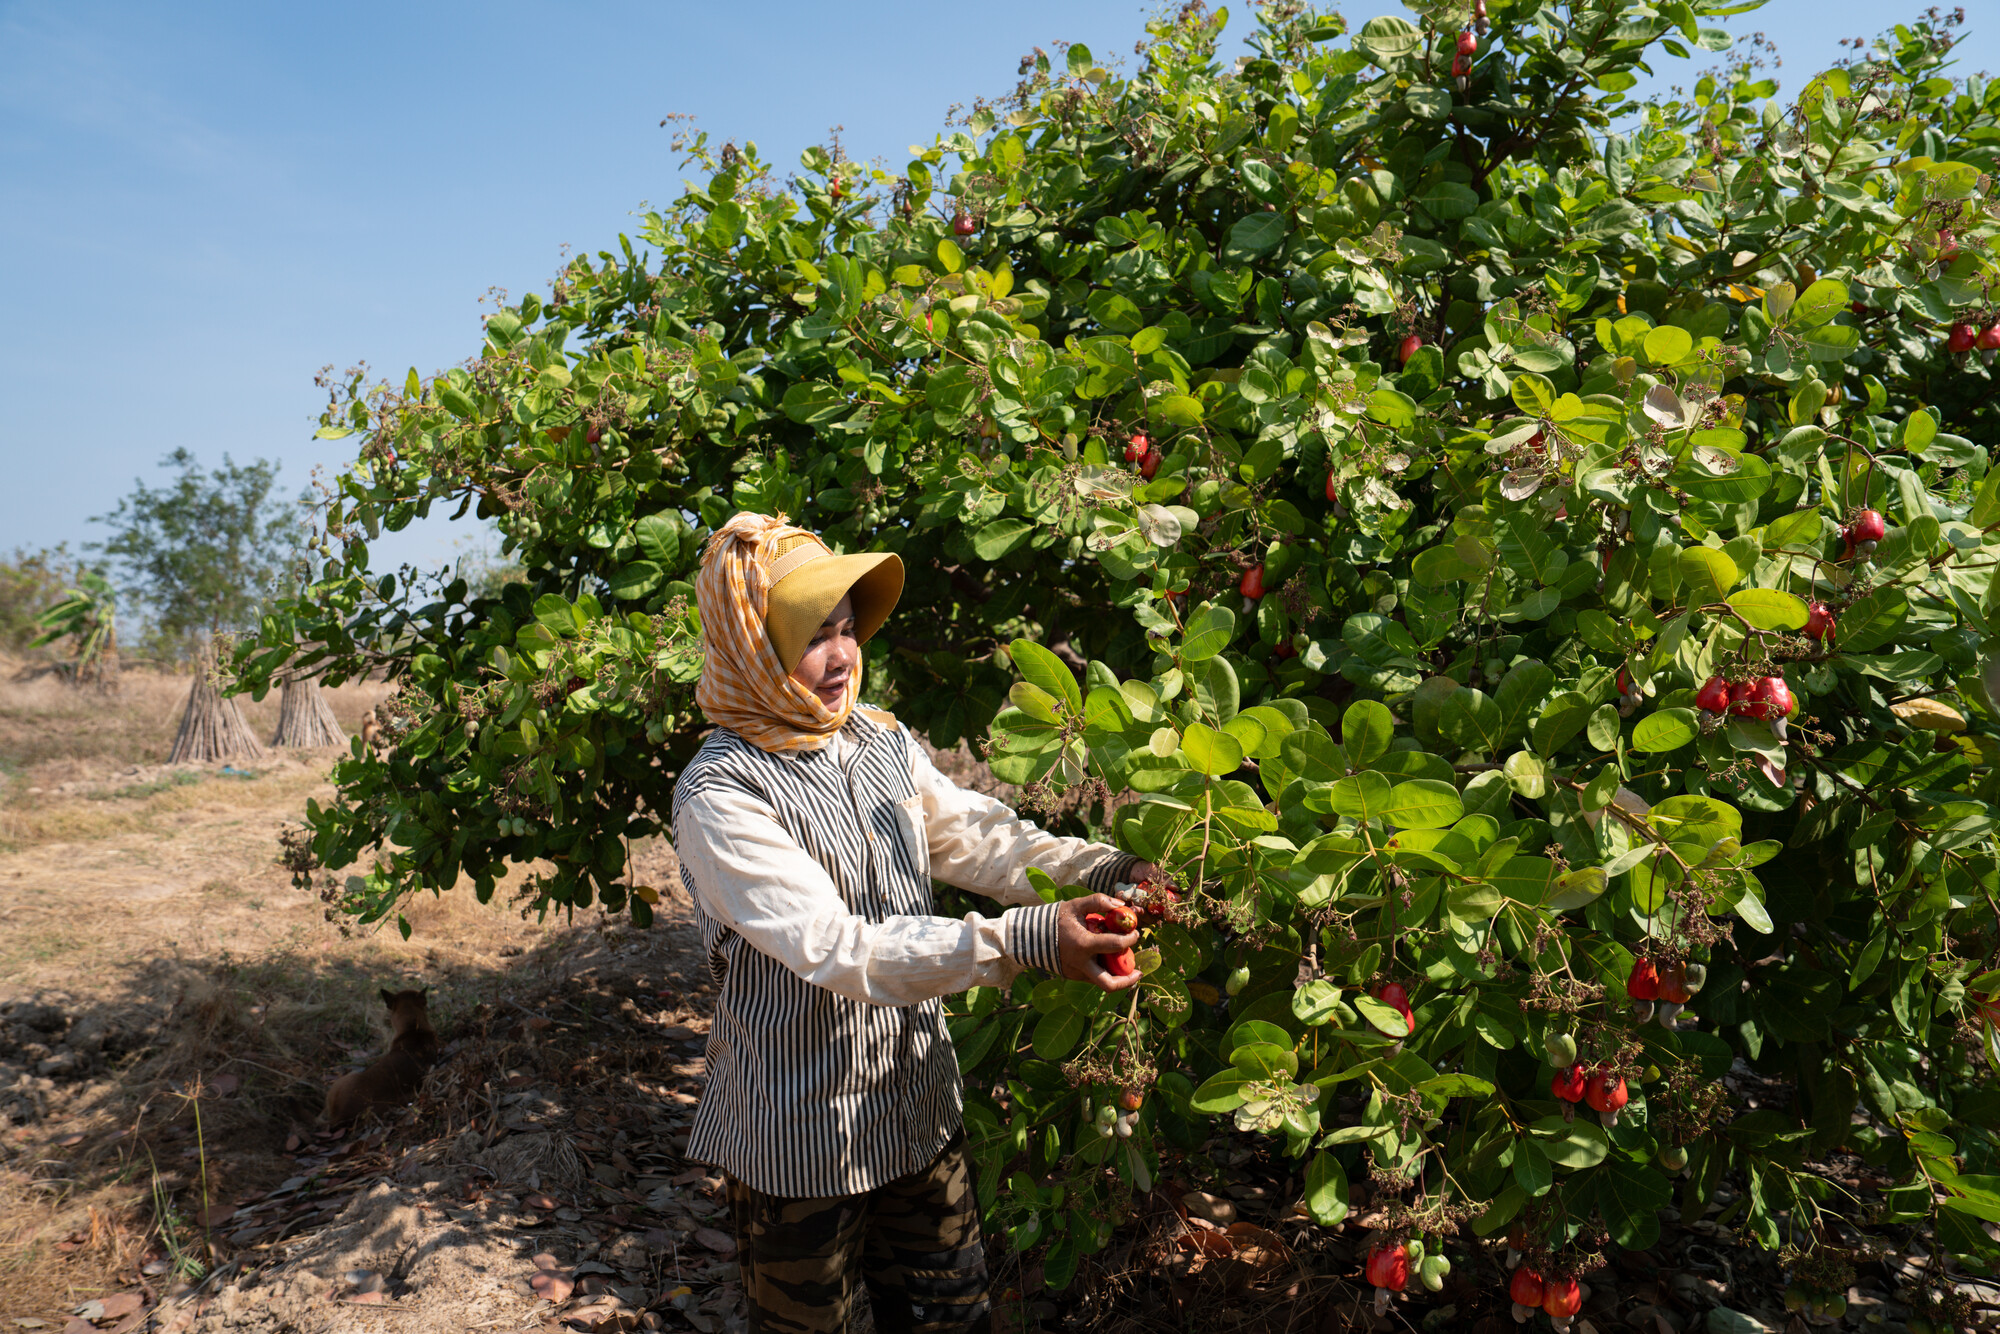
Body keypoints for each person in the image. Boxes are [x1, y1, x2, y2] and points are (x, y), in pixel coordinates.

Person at [671, 512, 1154, 1334]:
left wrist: (1109, 868)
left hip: (914, 1106)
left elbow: (975, 836)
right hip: (801, 1136)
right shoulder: (721, 795)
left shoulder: (876, 739)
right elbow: (838, 948)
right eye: (811, 636)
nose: (841, 656)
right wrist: (1027, 941)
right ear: (751, 643)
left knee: (952, 1318)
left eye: (847, 629)